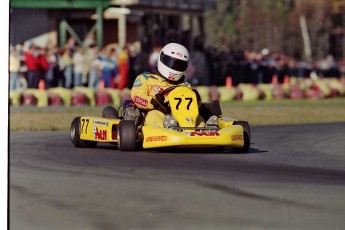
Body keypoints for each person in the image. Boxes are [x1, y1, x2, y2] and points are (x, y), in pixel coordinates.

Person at [130, 42, 218, 128]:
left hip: (181, 116)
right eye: (172, 62)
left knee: (197, 118)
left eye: (180, 65)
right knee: (154, 115)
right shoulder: (145, 78)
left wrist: (197, 101)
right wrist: (153, 102)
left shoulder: (185, 85)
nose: (175, 67)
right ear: (162, 58)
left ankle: (206, 129)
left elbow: (193, 106)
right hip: (155, 112)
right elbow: (137, 96)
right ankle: (169, 126)